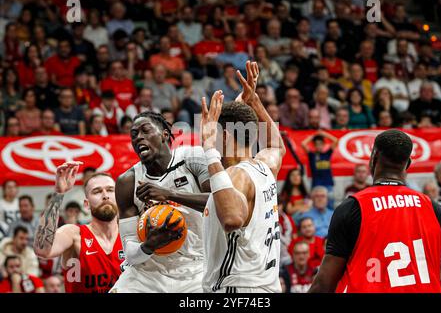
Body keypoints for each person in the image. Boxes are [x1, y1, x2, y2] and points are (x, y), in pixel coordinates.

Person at [309, 129, 441, 293]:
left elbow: (324, 284)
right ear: (408, 164)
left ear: (373, 158)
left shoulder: (352, 208)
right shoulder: (433, 208)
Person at [202, 61, 286, 293]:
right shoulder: (266, 166)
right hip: (267, 286)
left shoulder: (235, 176)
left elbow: (232, 219)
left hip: (237, 289)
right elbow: (276, 144)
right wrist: (253, 101)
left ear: (225, 135)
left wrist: (210, 150)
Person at [111, 110, 211, 293]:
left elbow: (219, 202)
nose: (139, 137)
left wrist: (170, 195)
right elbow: (131, 255)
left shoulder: (192, 157)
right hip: (147, 273)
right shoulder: (127, 181)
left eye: (145, 130)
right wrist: (149, 245)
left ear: (165, 134)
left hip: (195, 270)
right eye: (134, 135)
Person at [33, 162, 124, 293]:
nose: (105, 195)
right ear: (86, 204)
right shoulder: (74, 234)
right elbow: (41, 249)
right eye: (97, 191)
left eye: (110, 190)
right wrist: (58, 193)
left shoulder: (131, 234)